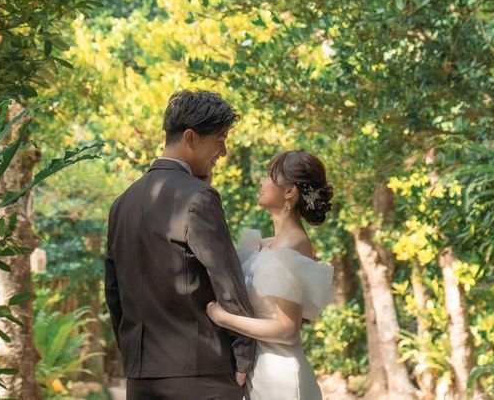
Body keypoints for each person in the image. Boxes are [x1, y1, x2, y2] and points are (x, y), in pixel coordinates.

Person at [105, 90, 255, 400]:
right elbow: (227, 284)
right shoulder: (198, 197)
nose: (223, 151)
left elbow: (114, 291)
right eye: (220, 140)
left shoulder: (122, 203)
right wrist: (244, 354)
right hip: (201, 377)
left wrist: (134, 357)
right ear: (190, 137)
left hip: (141, 377)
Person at [207, 150, 334, 400]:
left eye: (269, 176)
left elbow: (287, 329)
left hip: (281, 378)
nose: (262, 181)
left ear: (289, 191)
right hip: (262, 372)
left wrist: (223, 318)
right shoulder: (271, 244)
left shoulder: (292, 245)